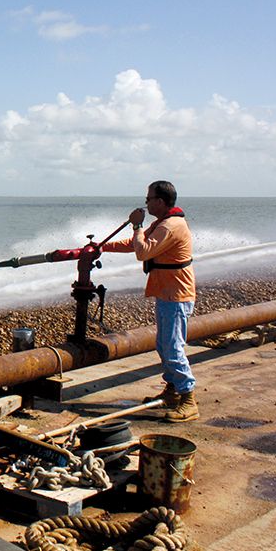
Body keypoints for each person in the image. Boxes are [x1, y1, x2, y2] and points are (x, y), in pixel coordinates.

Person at [102, 181, 198, 422]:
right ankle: (173, 391)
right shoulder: (163, 223)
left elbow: (142, 252)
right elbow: (137, 243)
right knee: (163, 345)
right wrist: (102, 247)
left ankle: (189, 400)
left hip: (177, 295)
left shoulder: (171, 226)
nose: (145, 203)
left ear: (161, 202)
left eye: (149, 199)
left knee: (173, 347)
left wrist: (137, 225)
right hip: (166, 293)